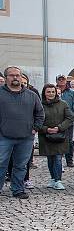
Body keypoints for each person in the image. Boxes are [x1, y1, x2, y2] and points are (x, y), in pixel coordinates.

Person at [0, 67, 44, 199]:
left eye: (17, 75)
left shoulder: (32, 95)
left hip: (25, 137)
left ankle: (18, 189)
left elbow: (40, 113)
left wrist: (36, 127)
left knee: (21, 165)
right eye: (12, 75)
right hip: (3, 137)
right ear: (6, 77)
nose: (15, 78)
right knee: (1, 163)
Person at [37, 84, 74, 191]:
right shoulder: (39, 105)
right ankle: (53, 178)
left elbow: (70, 118)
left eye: (53, 92)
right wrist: (45, 129)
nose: (51, 94)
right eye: (48, 92)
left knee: (58, 158)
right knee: (50, 158)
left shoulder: (63, 104)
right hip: (46, 136)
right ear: (44, 93)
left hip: (60, 135)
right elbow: (37, 119)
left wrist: (59, 128)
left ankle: (58, 180)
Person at [57, 75, 74, 167]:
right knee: (57, 140)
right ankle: (57, 159)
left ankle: (69, 160)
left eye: (63, 80)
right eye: (60, 80)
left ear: (66, 81)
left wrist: (72, 118)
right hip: (56, 120)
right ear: (57, 81)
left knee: (69, 141)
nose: (61, 81)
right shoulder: (54, 91)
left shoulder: (72, 93)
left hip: (69, 120)